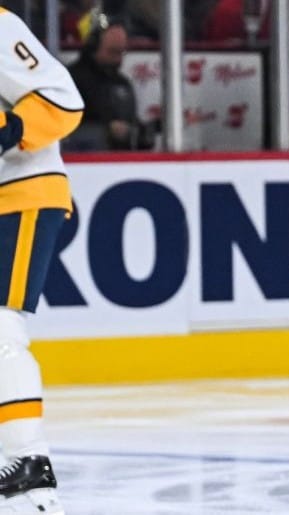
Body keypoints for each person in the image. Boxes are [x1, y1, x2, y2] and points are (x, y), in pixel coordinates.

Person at [0, 7, 84, 514]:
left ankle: (30, 462)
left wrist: (8, 129)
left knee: (0, 329)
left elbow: (62, 98)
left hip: (23, 193)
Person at [64, 15, 156, 151]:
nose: (118, 59)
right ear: (93, 46)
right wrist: (106, 130)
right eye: (112, 52)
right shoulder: (71, 79)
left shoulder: (122, 83)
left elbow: (132, 125)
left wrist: (142, 132)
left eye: (121, 52)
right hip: (85, 158)